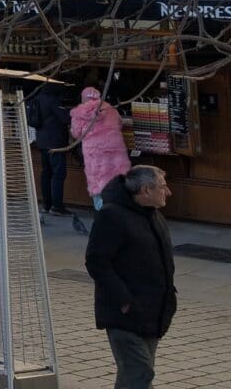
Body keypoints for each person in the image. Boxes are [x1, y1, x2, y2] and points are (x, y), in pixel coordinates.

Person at [84, 165, 177, 389]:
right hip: (125, 314)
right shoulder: (112, 216)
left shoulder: (153, 215)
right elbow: (97, 261)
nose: (168, 192)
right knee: (140, 373)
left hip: (153, 313)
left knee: (132, 376)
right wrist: (125, 300)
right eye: (163, 187)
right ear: (146, 190)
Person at [73, 86, 132, 211]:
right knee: (115, 181)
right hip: (114, 151)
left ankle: (102, 211)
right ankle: (117, 210)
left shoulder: (80, 113)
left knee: (97, 183)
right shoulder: (111, 110)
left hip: (94, 153)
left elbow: (76, 133)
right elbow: (119, 124)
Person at [27, 83, 73, 217]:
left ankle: (46, 205)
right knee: (58, 174)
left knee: (46, 173)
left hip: (41, 141)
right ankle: (57, 206)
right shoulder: (52, 100)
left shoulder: (36, 98)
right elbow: (65, 118)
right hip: (55, 143)